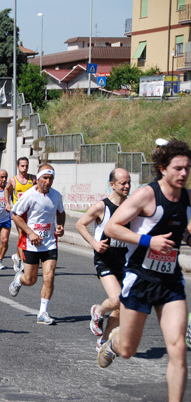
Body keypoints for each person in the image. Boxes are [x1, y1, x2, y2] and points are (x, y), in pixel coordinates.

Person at [98, 140, 190, 402]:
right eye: (178, 168)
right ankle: (113, 342)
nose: (184, 173)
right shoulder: (146, 195)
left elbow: (184, 230)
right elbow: (112, 227)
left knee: (178, 347)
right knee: (127, 349)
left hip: (170, 281)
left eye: (188, 168)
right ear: (163, 168)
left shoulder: (187, 198)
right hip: (140, 278)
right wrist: (150, 241)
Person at [75, 168, 130, 351]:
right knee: (116, 299)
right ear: (112, 184)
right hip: (105, 258)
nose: (127, 186)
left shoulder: (132, 207)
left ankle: (103, 341)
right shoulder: (102, 206)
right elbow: (80, 224)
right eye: (123, 183)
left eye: (129, 182)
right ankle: (98, 311)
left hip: (124, 260)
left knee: (120, 306)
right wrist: (94, 243)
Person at [8, 164, 65, 325]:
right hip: (30, 243)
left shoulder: (56, 196)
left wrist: (60, 227)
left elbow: (61, 213)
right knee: (31, 279)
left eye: (51, 178)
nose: (48, 181)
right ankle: (19, 279)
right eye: (45, 178)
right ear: (38, 179)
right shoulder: (29, 195)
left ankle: (43, 312)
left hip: (49, 242)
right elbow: (15, 216)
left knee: (49, 276)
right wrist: (30, 232)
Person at [5, 157, 37, 271]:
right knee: (22, 234)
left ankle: (17, 256)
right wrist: (7, 203)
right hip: (18, 213)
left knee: (24, 235)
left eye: (26, 166)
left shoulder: (33, 179)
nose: (24, 168)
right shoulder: (13, 180)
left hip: (30, 212)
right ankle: (23, 262)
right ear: (17, 167)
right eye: (22, 166)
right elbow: (6, 190)